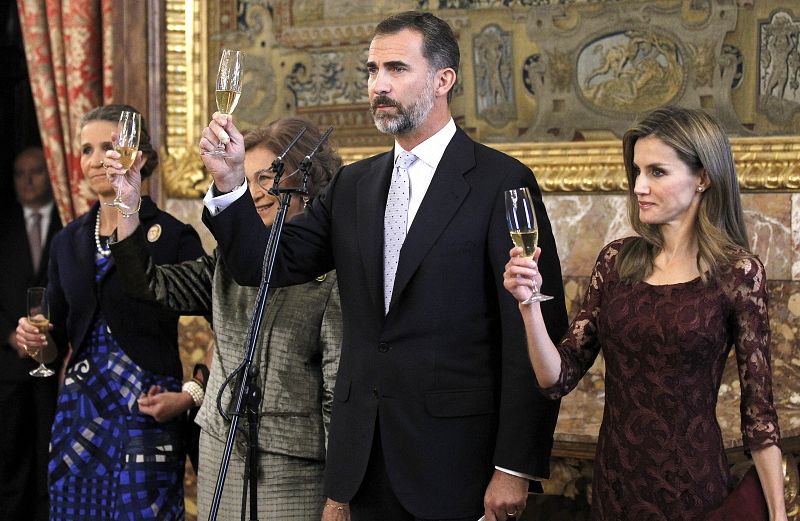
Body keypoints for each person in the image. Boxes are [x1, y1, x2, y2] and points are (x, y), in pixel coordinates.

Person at [200, 11, 568, 521]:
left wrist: (514, 466)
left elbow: (529, 330)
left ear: (444, 80)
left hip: (457, 462)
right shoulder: (353, 186)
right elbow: (265, 265)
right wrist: (228, 186)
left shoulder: (499, 181)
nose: (379, 84)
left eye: (396, 68)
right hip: (362, 465)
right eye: (372, 71)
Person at [503, 106, 788, 521]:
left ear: (703, 177)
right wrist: (528, 303)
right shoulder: (616, 262)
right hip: (616, 484)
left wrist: (779, 515)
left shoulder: (738, 274)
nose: (638, 186)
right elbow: (555, 378)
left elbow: (759, 416)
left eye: (657, 171)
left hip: (694, 489)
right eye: (636, 171)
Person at [106, 118, 343, 520]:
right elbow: (149, 287)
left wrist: (340, 496)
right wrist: (128, 204)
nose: (255, 193)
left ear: (309, 181)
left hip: (294, 471)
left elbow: (337, 399)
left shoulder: (333, 278)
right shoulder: (228, 267)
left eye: (267, 178)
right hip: (220, 456)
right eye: (244, 181)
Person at [15, 104, 205, 520]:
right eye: (86, 150)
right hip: (79, 412)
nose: (96, 160)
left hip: (147, 405)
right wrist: (37, 342)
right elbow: (55, 345)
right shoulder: (67, 241)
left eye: (109, 146)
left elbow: (226, 325)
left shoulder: (173, 234)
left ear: (137, 154)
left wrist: (191, 395)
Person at [0, 146, 62, 521]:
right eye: (20, 173)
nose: (28, 181)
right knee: (10, 457)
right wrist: (10, 335)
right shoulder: (3, 227)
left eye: (36, 172)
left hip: (54, 362)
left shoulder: (70, 225)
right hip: (8, 366)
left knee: (48, 456)